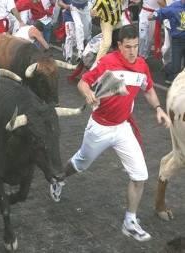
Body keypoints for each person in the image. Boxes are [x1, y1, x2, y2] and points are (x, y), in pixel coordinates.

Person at [50, 25, 171, 242]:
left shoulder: (142, 66)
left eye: (136, 46)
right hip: (100, 127)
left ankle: (130, 221)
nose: (133, 51)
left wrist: (159, 109)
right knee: (81, 162)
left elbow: (149, 89)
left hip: (123, 127)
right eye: (128, 47)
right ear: (119, 46)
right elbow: (83, 81)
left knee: (140, 175)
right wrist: (87, 94)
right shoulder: (107, 62)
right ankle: (58, 178)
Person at [149, 0, 185, 85]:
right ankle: (167, 69)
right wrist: (153, 15)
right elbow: (161, 11)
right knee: (175, 67)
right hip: (178, 41)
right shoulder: (175, 7)